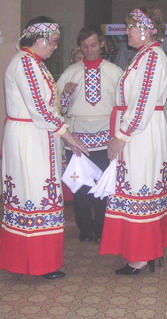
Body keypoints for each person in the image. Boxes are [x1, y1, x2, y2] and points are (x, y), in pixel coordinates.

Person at [0, 16, 88, 279]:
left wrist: (62, 132)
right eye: (52, 43)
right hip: (29, 138)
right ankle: (35, 264)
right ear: (39, 40)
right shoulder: (25, 64)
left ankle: (37, 262)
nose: (54, 48)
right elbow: (40, 109)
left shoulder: (34, 64)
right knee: (33, 196)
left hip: (38, 135)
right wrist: (69, 137)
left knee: (38, 196)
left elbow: (48, 108)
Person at [99, 6, 167, 275]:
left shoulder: (152, 57)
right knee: (135, 187)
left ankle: (142, 255)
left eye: (130, 28)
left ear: (145, 30)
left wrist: (122, 136)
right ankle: (141, 251)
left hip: (141, 134)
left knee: (139, 186)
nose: (126, 33)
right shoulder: (145, 56)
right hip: (140, 130)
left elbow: (143, 102)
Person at [57, 26, 123, 243]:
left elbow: (124, 106)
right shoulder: (70, 73)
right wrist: (64, 96)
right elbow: (57, 109)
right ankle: (85, 230)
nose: (89, 49)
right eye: (84, 46)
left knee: (104, 189)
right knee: (81, 189)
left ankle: (102, 230)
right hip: (77, 141)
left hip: (106, 140)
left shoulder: (115, 72)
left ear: (102, 44)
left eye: (93, 44)